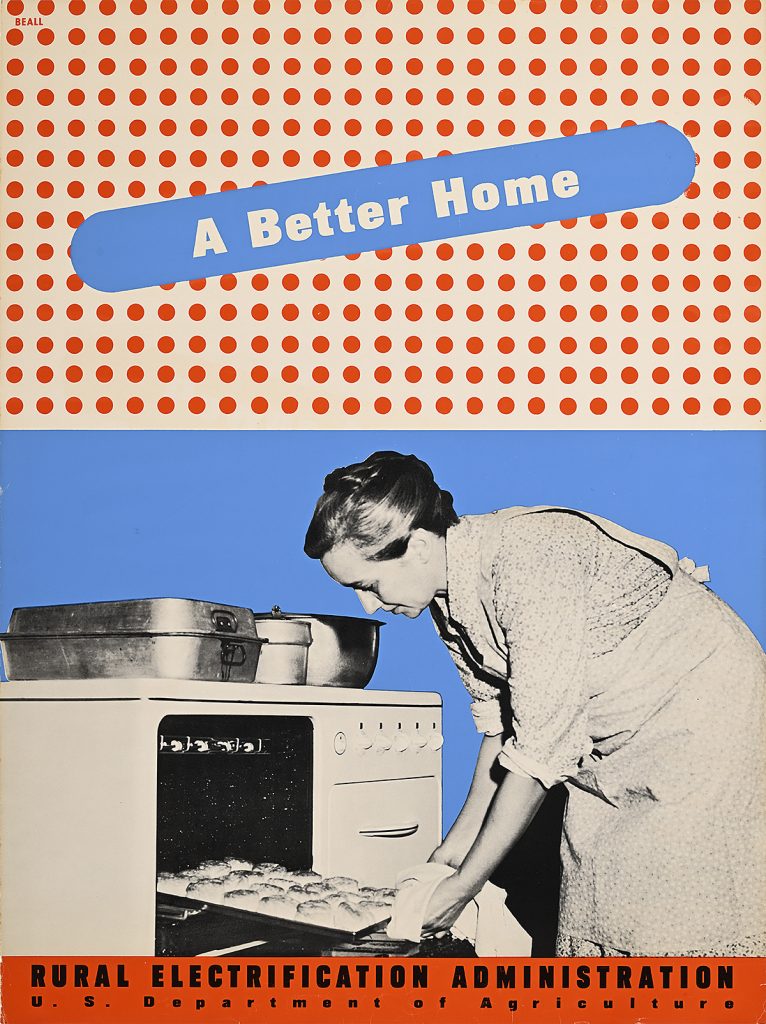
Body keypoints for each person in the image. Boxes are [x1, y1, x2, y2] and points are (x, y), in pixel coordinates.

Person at [304, 450, 766, 956]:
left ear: (416, 545)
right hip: (612, 735)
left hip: (704, 719)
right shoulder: (446, 599)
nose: (369, 606)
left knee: (683, 916)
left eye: (368, 585)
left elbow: (539, 752)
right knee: (599, 890)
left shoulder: (528, 561)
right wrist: (449, 856)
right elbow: (502, 731)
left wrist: (463, 888)